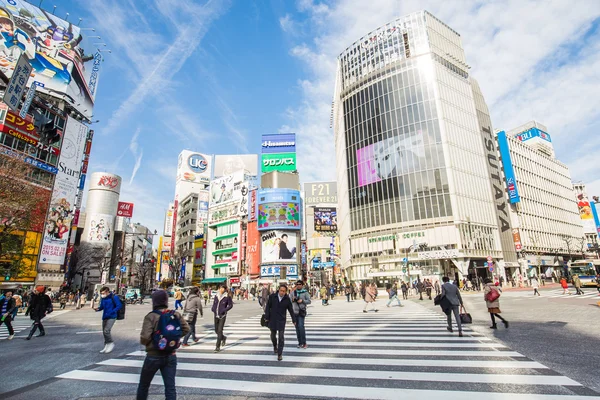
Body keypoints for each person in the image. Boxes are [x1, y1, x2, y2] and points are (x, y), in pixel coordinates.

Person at [136, 289, 190, 400]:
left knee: (144, 385)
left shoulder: (151, 316)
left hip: (153, 355)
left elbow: (145, 337)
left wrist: (154, 342)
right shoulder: (174, 314)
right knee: (170, 387)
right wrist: (172, 338)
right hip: (171, 355)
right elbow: (186, 329)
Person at [264, 284, 297, 361]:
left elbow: (291, 310)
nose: (282, 292)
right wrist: (266, 317)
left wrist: (294, 320)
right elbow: (268, 307)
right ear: (278, 290)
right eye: (281, 291)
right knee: (273, 335)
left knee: (281, 337)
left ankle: (280, 353)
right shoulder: (272, 297)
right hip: (273, 319)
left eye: (284, 291)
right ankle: (275, 346)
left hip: (281, 320)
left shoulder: (287, 299)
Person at [94, 286, 122, 354]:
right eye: (101, 293)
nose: (102, 294)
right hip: (105, 316)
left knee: (107, 330)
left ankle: (110, 343)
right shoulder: (103, 299)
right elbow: (102, 307)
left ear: (107, 292)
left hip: (112, 316)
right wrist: (98, 309)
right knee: (104, 331)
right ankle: (106, 345)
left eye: (103, 293)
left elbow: (119, 305)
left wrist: (113, 311)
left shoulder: (114, 297)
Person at [211, 284, 233, 352]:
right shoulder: (216, 295)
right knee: (216, 330)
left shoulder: (227, 296)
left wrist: (224, 310)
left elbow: (230, 305)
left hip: (222, 315)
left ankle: (217, 347)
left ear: (225, 289)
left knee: (220, 330)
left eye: (223, 288)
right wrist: (213, 309)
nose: (222, 289)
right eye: (221, 288)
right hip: (216, 314)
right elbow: (214, 304)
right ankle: (223, 338)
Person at [290, 280, 311, 349]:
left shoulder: (305, 292)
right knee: (297, 328)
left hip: (301, 312)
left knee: (301, 327)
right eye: (297, 284)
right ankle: (300, 342)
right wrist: (292, 299)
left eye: (299, 284)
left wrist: (302, 301)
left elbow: (309, 301)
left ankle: (304, 342)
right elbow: (289, 300)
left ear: (302, 285)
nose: (298, 285)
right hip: (294, 312)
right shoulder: (293, 292)